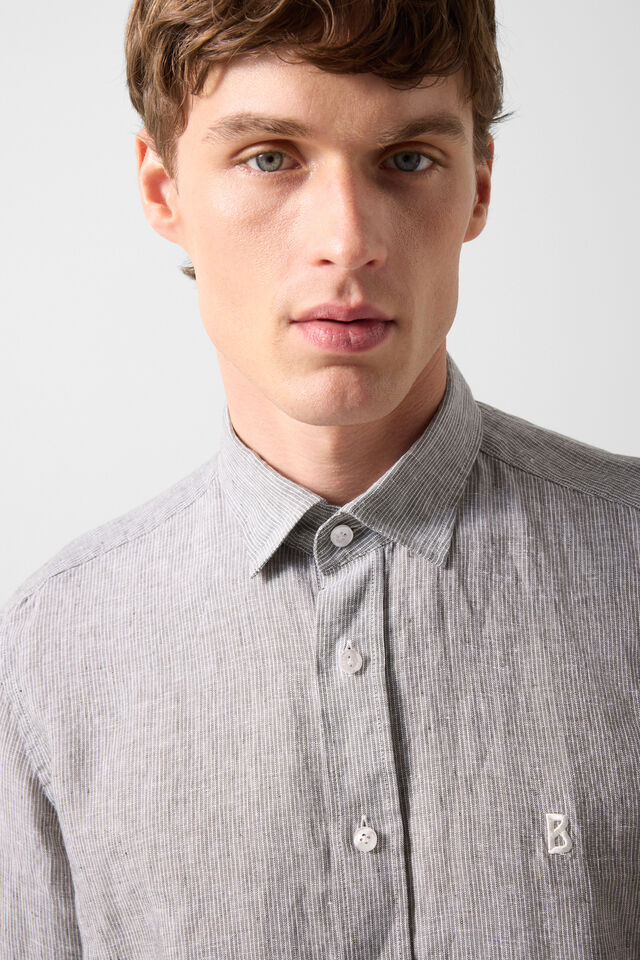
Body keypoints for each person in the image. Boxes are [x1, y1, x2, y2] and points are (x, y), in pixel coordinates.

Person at [1, 0, 639, 956]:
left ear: (478, 187)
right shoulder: (49, 652)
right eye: (269, 157)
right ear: (163, 190)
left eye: (407, 159)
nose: (347, 240)